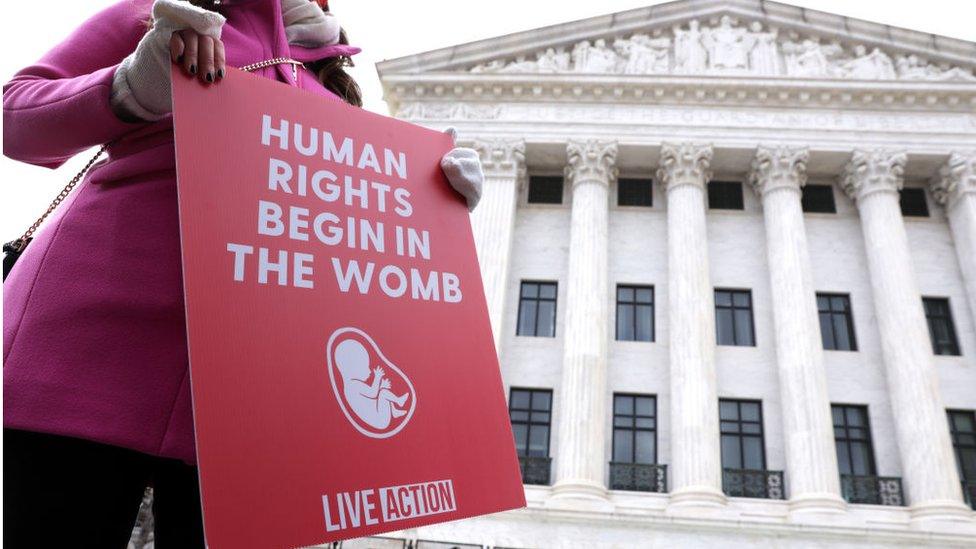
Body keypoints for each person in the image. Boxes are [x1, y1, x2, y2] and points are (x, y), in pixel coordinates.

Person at [2, 1, 484, 547]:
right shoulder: (164, 12)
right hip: (88, 351)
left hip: (249, 399)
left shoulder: (333, 78)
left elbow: (342, 251)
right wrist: (134, 84)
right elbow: (13, 117)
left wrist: (424, 203)